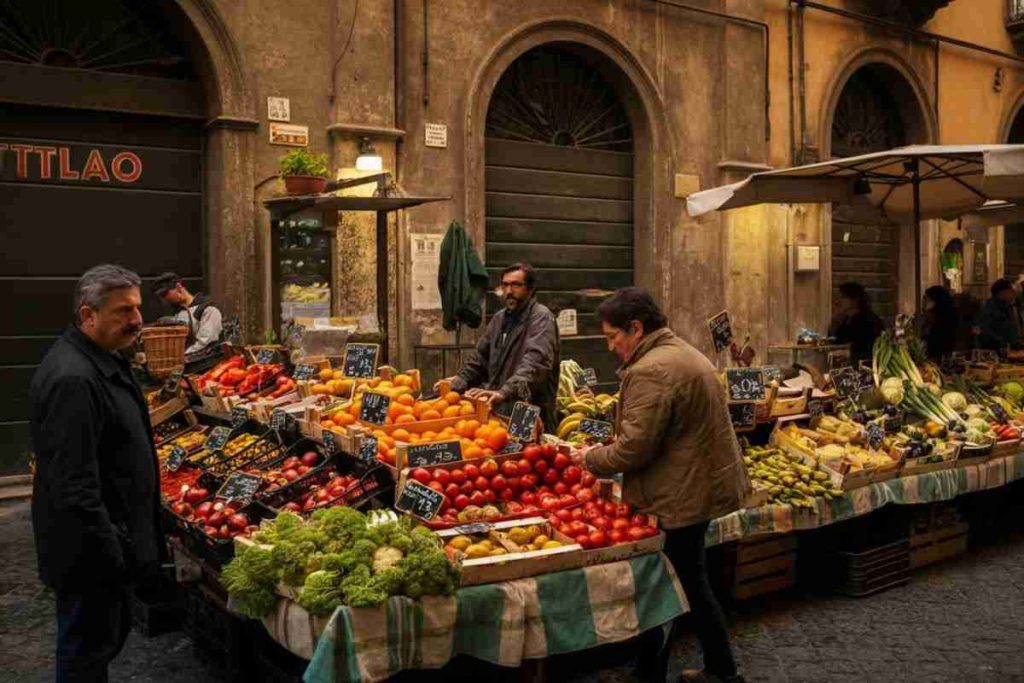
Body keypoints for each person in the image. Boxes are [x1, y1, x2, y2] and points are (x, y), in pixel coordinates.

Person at [578, 287, 750, 683]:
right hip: (695, 484)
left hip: (679, 495)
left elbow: (632, 453)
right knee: (687, 578)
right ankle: (706, 668)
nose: (609, 346)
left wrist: (587, 459)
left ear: (635, 328)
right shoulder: (683, 352)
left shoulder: (651, 370)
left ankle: (670, 671)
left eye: (611, 336)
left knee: (668, 584)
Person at [29, 264, 163, 682]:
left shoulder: (97, 360)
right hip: (89, 553)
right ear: (88, 316)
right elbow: (75, 486)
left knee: (94, 645)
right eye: (123, 311)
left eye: (137, 309)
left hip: (99, 546)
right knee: (84, 652)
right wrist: (116, 552)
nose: (137, 320)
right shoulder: (75, 379)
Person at [435, 263, 560, 430]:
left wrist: (505, 391)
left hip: (529, 408)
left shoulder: (541, 318)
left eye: (516, 285)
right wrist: (461, 379)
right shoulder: (499, 318)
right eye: (505, 285)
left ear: (530, 289)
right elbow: (480, 357)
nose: (509, 291)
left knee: (529, 452)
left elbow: (535, 363)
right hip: (499, 409)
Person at [152, 272, 223, 356]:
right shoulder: (177, 312)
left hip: (205, 363)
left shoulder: (208, 309)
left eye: (165, 294)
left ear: (178, 287)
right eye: (162, 296)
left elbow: (205, 343)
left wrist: (180, 357)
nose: (164, 299)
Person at [828, 282, 885, 363]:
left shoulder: (869, 321)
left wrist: (849, 353)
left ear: (855, 299)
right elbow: (838, 339)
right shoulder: (845, 319)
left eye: (843, 297)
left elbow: (871, 350)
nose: (838, 301)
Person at [977, 278, 1022, 352]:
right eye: (1011, 291)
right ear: (1003, 292)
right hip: (997, 352)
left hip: (1011, 350)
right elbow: (986, 331)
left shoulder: (1008, 307)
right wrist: (1003, 344)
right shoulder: (989, 308)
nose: (1013, 294)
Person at [921, 285, 959, 361]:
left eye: (926, 298)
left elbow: (938, 338)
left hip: (939, 355)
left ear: (935, 300)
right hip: (944, 353)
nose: (924, 301)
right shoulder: (948, 311)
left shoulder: (942, 316)